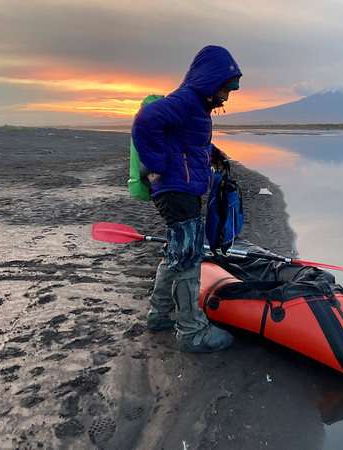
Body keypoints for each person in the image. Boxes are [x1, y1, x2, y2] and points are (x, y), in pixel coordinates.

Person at [131, 45, 241, 353]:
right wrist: (155, 163)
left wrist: (213, 154)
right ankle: (191, 331)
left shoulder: (197, 108)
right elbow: (146, 120)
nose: (226, 97)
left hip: (182, 188)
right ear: (210, 80)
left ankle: (160, 314)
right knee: (190, 258)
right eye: (225, 88)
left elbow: (187, 141)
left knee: (178, 253)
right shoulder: (185, 101)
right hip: (177, 190)